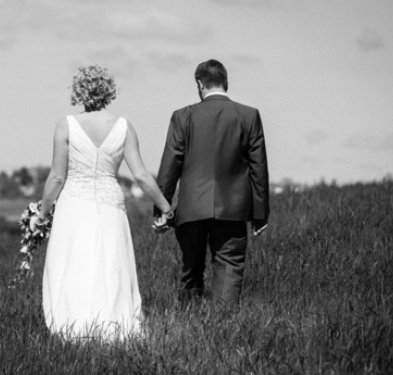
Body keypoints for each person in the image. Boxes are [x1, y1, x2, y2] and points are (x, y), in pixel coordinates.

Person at [35, 65, 174, 341]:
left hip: (74, 204)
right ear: (109, 91)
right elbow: (142, 176)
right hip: (110, 205)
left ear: (79, 91)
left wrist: (42, 212)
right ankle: (114, 326)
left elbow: (56, 178)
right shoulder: (124, 126)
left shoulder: (65, 125)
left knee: (72, 263)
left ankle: (72, 329)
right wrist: (166, 208)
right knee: (111, 263)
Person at [154, 59, 270, 307]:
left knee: (191, 267)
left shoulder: (182, 116)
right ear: (226, 82)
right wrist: (260, 214)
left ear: (199, 83)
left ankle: (188, 322)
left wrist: (161, 209)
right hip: (233, 208)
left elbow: (169, 166)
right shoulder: (249, 116)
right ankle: (224, 327)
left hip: (191, 206)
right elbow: (259, 168)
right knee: (229, 267)